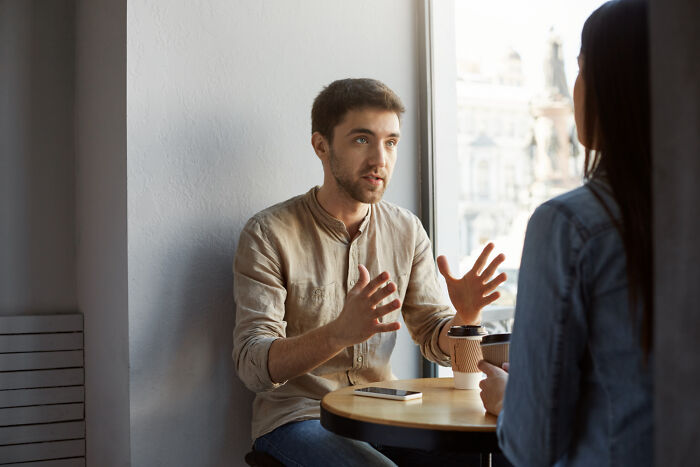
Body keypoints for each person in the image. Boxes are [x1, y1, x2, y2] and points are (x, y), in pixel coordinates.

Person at [233, 78, 506, 466]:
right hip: (300, 418)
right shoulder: (268, 233)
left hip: (384, 414)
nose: (381, 159)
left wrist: (465, 319)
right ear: (321, 145)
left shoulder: (405, 229)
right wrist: (338, 333)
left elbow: (432, 333)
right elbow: (252, 364)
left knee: (480, 457)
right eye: (362, 139)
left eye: (391, 142)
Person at [478, 1, 653, 465]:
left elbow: (532, 443)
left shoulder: (570, 226)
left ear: (613, 88)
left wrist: (509, 400)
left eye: (581, 69)